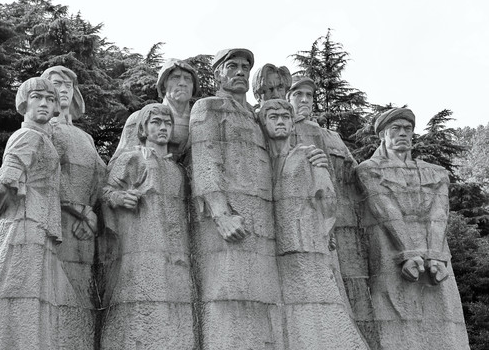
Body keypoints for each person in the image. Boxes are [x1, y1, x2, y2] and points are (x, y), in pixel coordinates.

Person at [0, 78, 77, 350]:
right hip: (22, 223)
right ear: (24, 102)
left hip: (37, 225)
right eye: (37, 97)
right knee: (6, 289)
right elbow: (6, 180)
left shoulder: (44, 139)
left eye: (50, 98)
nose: (44, 103)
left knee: (29, 298)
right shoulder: (28, 136)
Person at [189, 48, 285, 349]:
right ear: (218, 73)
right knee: (228, 294)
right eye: (232, 66)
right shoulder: (209, 107)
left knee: (263, 297)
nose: (241, 71)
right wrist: (220, 213)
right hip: (228, 220)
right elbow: (205, 161)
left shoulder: (257, 117)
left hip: (262, 217)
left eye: (245, 66)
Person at [355, 108, 470, 350]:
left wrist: (436, 256)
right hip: (390, 251)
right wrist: (407, 254)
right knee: (396, 317)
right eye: (395, 129)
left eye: (408, 129)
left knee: (445, 320)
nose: (403, 134)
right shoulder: (369, 169)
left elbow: (439, 214)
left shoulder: (435, 172)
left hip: (435, 252)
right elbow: (385, 210)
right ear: (382, 135)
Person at [258, 99, 369, 349]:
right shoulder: (261, 160)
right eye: (273, 117)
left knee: (319, 300)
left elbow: (328, 201)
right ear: (263, 123)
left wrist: (319, 234)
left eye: (285, 117)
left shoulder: (309, 154)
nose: (280, 122)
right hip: (274, 246)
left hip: (306, 242)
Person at [101, 104, 194, 349]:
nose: (163, 127)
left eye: (167, 123)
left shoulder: (177, 169)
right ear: (143, 128)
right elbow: (105, 191)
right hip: (141, 242)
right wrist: (120, 198)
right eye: (156, 122)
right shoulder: (133, 157)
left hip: (176, 246)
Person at [41, 66, 106, 349]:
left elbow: (100, 177)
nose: (64, 88)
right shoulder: (47, 130)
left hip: (85, 231)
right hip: (59, 225)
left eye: (68, 84)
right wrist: (83, 211)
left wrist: (91, 212)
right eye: (56, 83)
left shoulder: (86, 137)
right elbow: (48, 175)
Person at [111, 59, 200, 164]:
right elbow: (118, 163)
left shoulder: (200, 122)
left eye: (188, 79)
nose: (182, 83)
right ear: (163, 85)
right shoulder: (139, 118)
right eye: (175, 78)